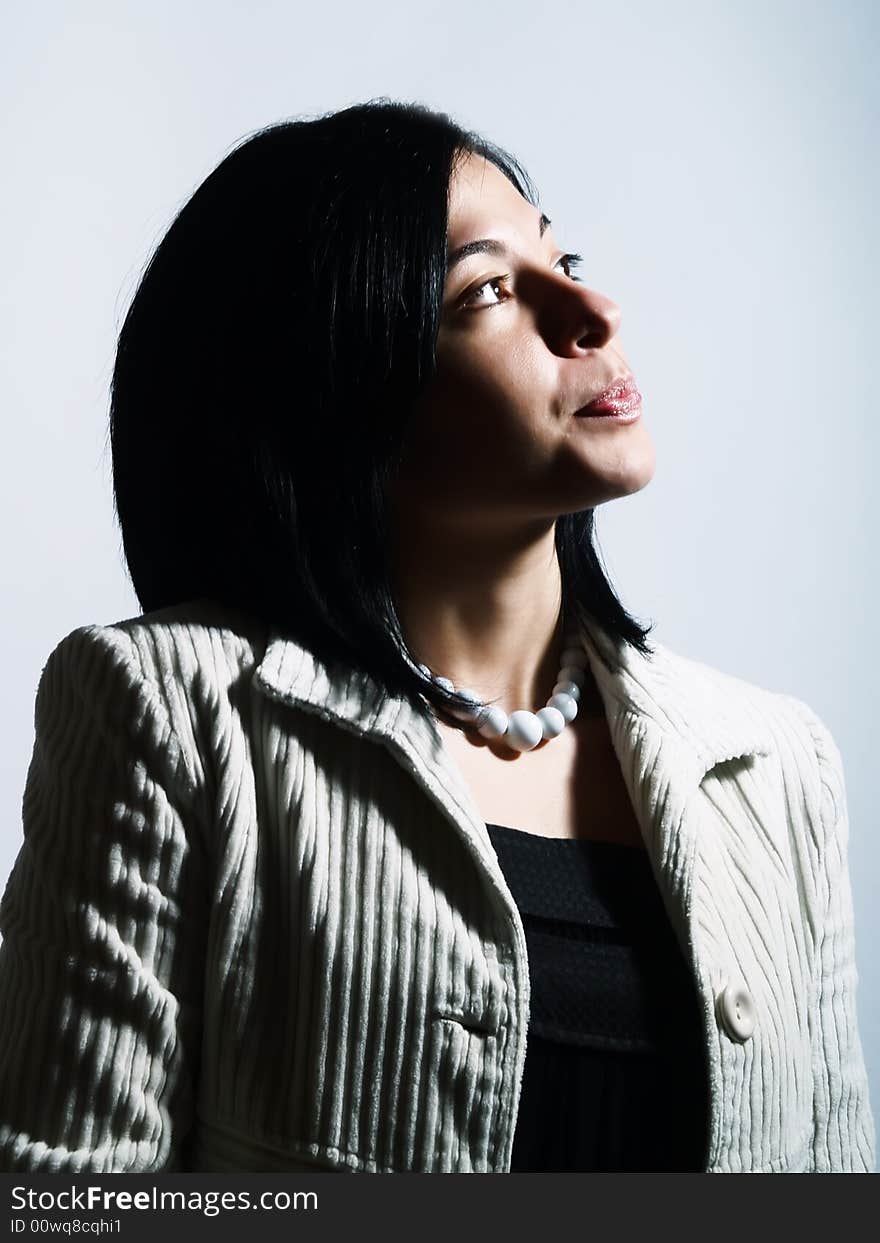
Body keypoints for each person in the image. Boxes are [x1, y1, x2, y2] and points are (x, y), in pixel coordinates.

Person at [0, 99, 873, 1174]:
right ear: (336, 391)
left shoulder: (776, 763)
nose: (590, 309)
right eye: (488, 291)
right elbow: (60, 1198)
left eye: (566, 258)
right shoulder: (171, 711)